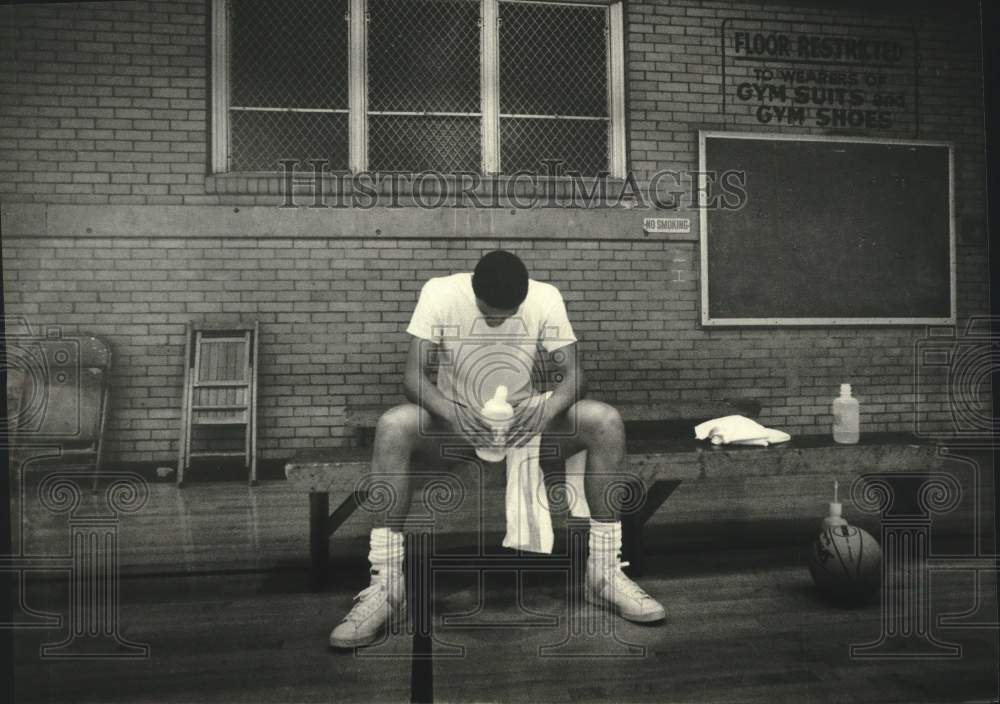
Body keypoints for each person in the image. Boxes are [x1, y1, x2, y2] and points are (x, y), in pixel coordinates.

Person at [329, 250, 665, 648]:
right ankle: (386, 585)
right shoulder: (439, 293)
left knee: (605, 420)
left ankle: (605, 572)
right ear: (473, 290)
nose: (497, 322)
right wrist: (453, 413)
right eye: (489, 315)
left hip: (524, 421)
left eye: (506, 315)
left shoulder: (545, 297)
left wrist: (547, 412)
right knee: (393, 426)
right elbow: (412, 379)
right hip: (456, 422)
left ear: (524, 297)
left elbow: (575, 378)